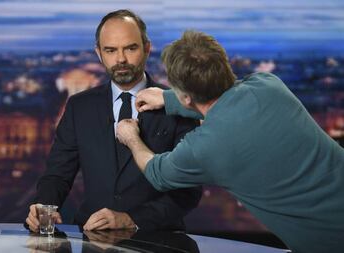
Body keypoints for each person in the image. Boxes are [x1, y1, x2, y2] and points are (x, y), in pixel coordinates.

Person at [116, 30, 344, 253]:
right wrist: (169, 98)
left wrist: (131, 138)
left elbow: (157, 172)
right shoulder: (269, 85)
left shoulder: (205, 148)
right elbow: (232, 101)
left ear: (186, 97)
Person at [25, 10, 201, 232]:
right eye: (110, 50)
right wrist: (43, 206)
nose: (121, 59)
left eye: (130, 48)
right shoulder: (79, 107)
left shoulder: (178, 105)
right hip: (91, 237)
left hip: (158, 240)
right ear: (99, 53)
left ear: (147, 48)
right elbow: (57, 174)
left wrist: (131, 219)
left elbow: (188, 191)